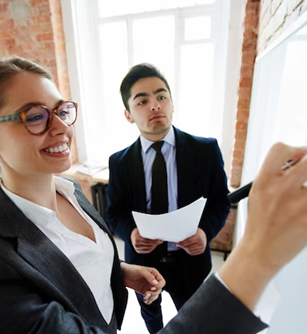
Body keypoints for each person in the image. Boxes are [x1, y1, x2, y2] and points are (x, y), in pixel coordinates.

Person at [0, 56, 307, 334]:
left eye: (61, 110)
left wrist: (119, 270)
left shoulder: (71, 190)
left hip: (182, 266)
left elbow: (70, 263)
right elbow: (117, 216)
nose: (60, 128)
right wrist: (257, 256)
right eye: (34, 116)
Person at [106, 64, 231, 333]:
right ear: (128, 115)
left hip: (192, 260)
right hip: (144, 263)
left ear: (172, 104)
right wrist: (131, 233)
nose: (154, 105)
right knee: (151, 315)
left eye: (161, 97)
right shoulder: (119, 162)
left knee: (196, 319)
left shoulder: (205, 150)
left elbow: (221, 202)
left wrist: (205, 233)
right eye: (142, 101)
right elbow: (114, 213)